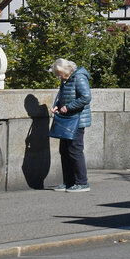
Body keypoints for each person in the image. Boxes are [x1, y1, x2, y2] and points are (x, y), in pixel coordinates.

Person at [51, 58, 92, 192]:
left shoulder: (79, 77)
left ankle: (82, 182)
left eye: (59, 73)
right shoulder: (66, 79)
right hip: (67, 119)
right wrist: (57, 106)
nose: (59, 77)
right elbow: (63, 95)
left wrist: (68, 107)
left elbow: (86, 97)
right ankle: (68, 182)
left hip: (77, 120)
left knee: (75, 151)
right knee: (64, 151)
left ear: (67, 70)